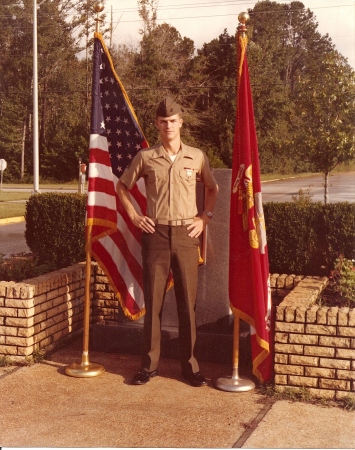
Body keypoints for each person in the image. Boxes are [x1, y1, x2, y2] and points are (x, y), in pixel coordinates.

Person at [116, 97, 219, 387]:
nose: (168, 125)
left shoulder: (196, 156)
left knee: (188, 305)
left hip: (187, 235)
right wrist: (135, 216)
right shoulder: (146, 157)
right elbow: (121, 186)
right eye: (163, 121)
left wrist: (204, 218)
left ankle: (190, 367)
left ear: (181, 123)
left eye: (173, 121)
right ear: (157, 124)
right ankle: (148, 367)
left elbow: (212, 188)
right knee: (155, 303)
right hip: (156, 235)